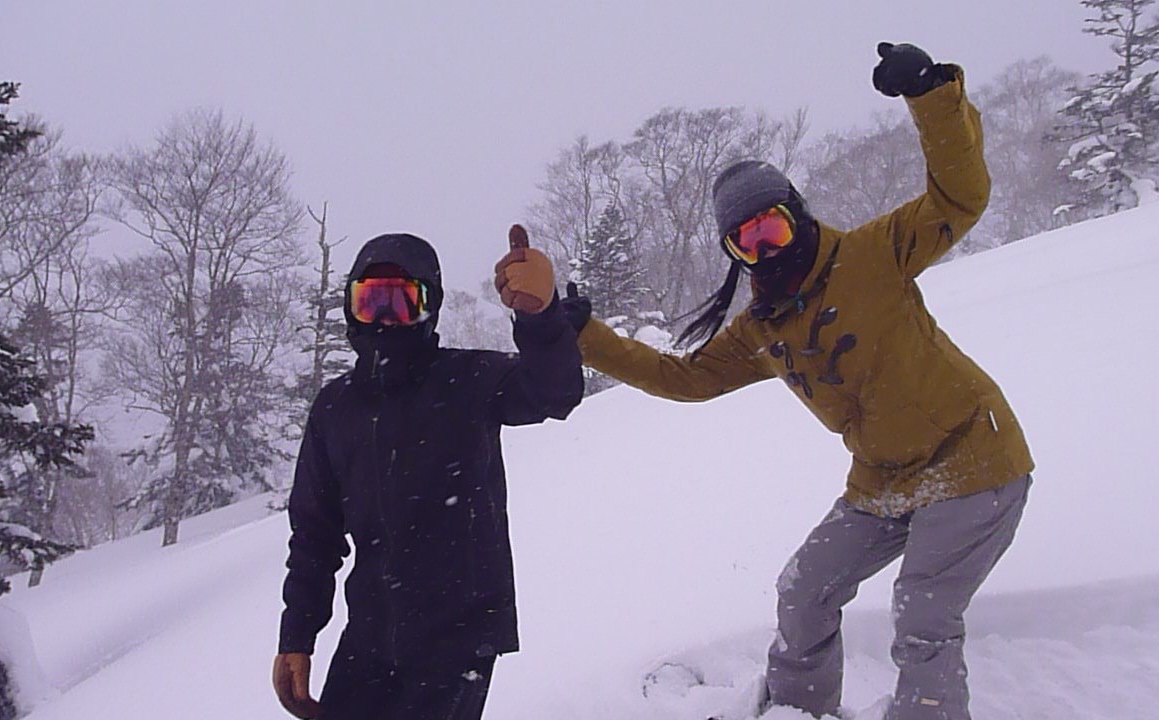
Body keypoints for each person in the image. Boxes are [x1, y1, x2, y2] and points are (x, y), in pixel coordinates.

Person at [561, 44, 1034, 720]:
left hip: (974, 459)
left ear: (799, 213)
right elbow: (685, 378)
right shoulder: (766, 326)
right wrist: (585, 335)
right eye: (747, 242)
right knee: (803, 589)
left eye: (774, 227)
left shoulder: (875, 254)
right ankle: (796, 710)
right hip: (884, 481)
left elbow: (961, 196)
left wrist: (931, 98)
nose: (768, 249)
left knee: (924, 611)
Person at [272, 227, 583, 720]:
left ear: (429, 308)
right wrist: (297, 637)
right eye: (372, 302)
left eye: (403, 303)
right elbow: (314, 535)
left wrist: (541, 316)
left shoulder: (466, 380)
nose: (386, 320)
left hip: (459, 634)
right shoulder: (336, 408)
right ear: (350, 307)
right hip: (371, 633)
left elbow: (554, 390)